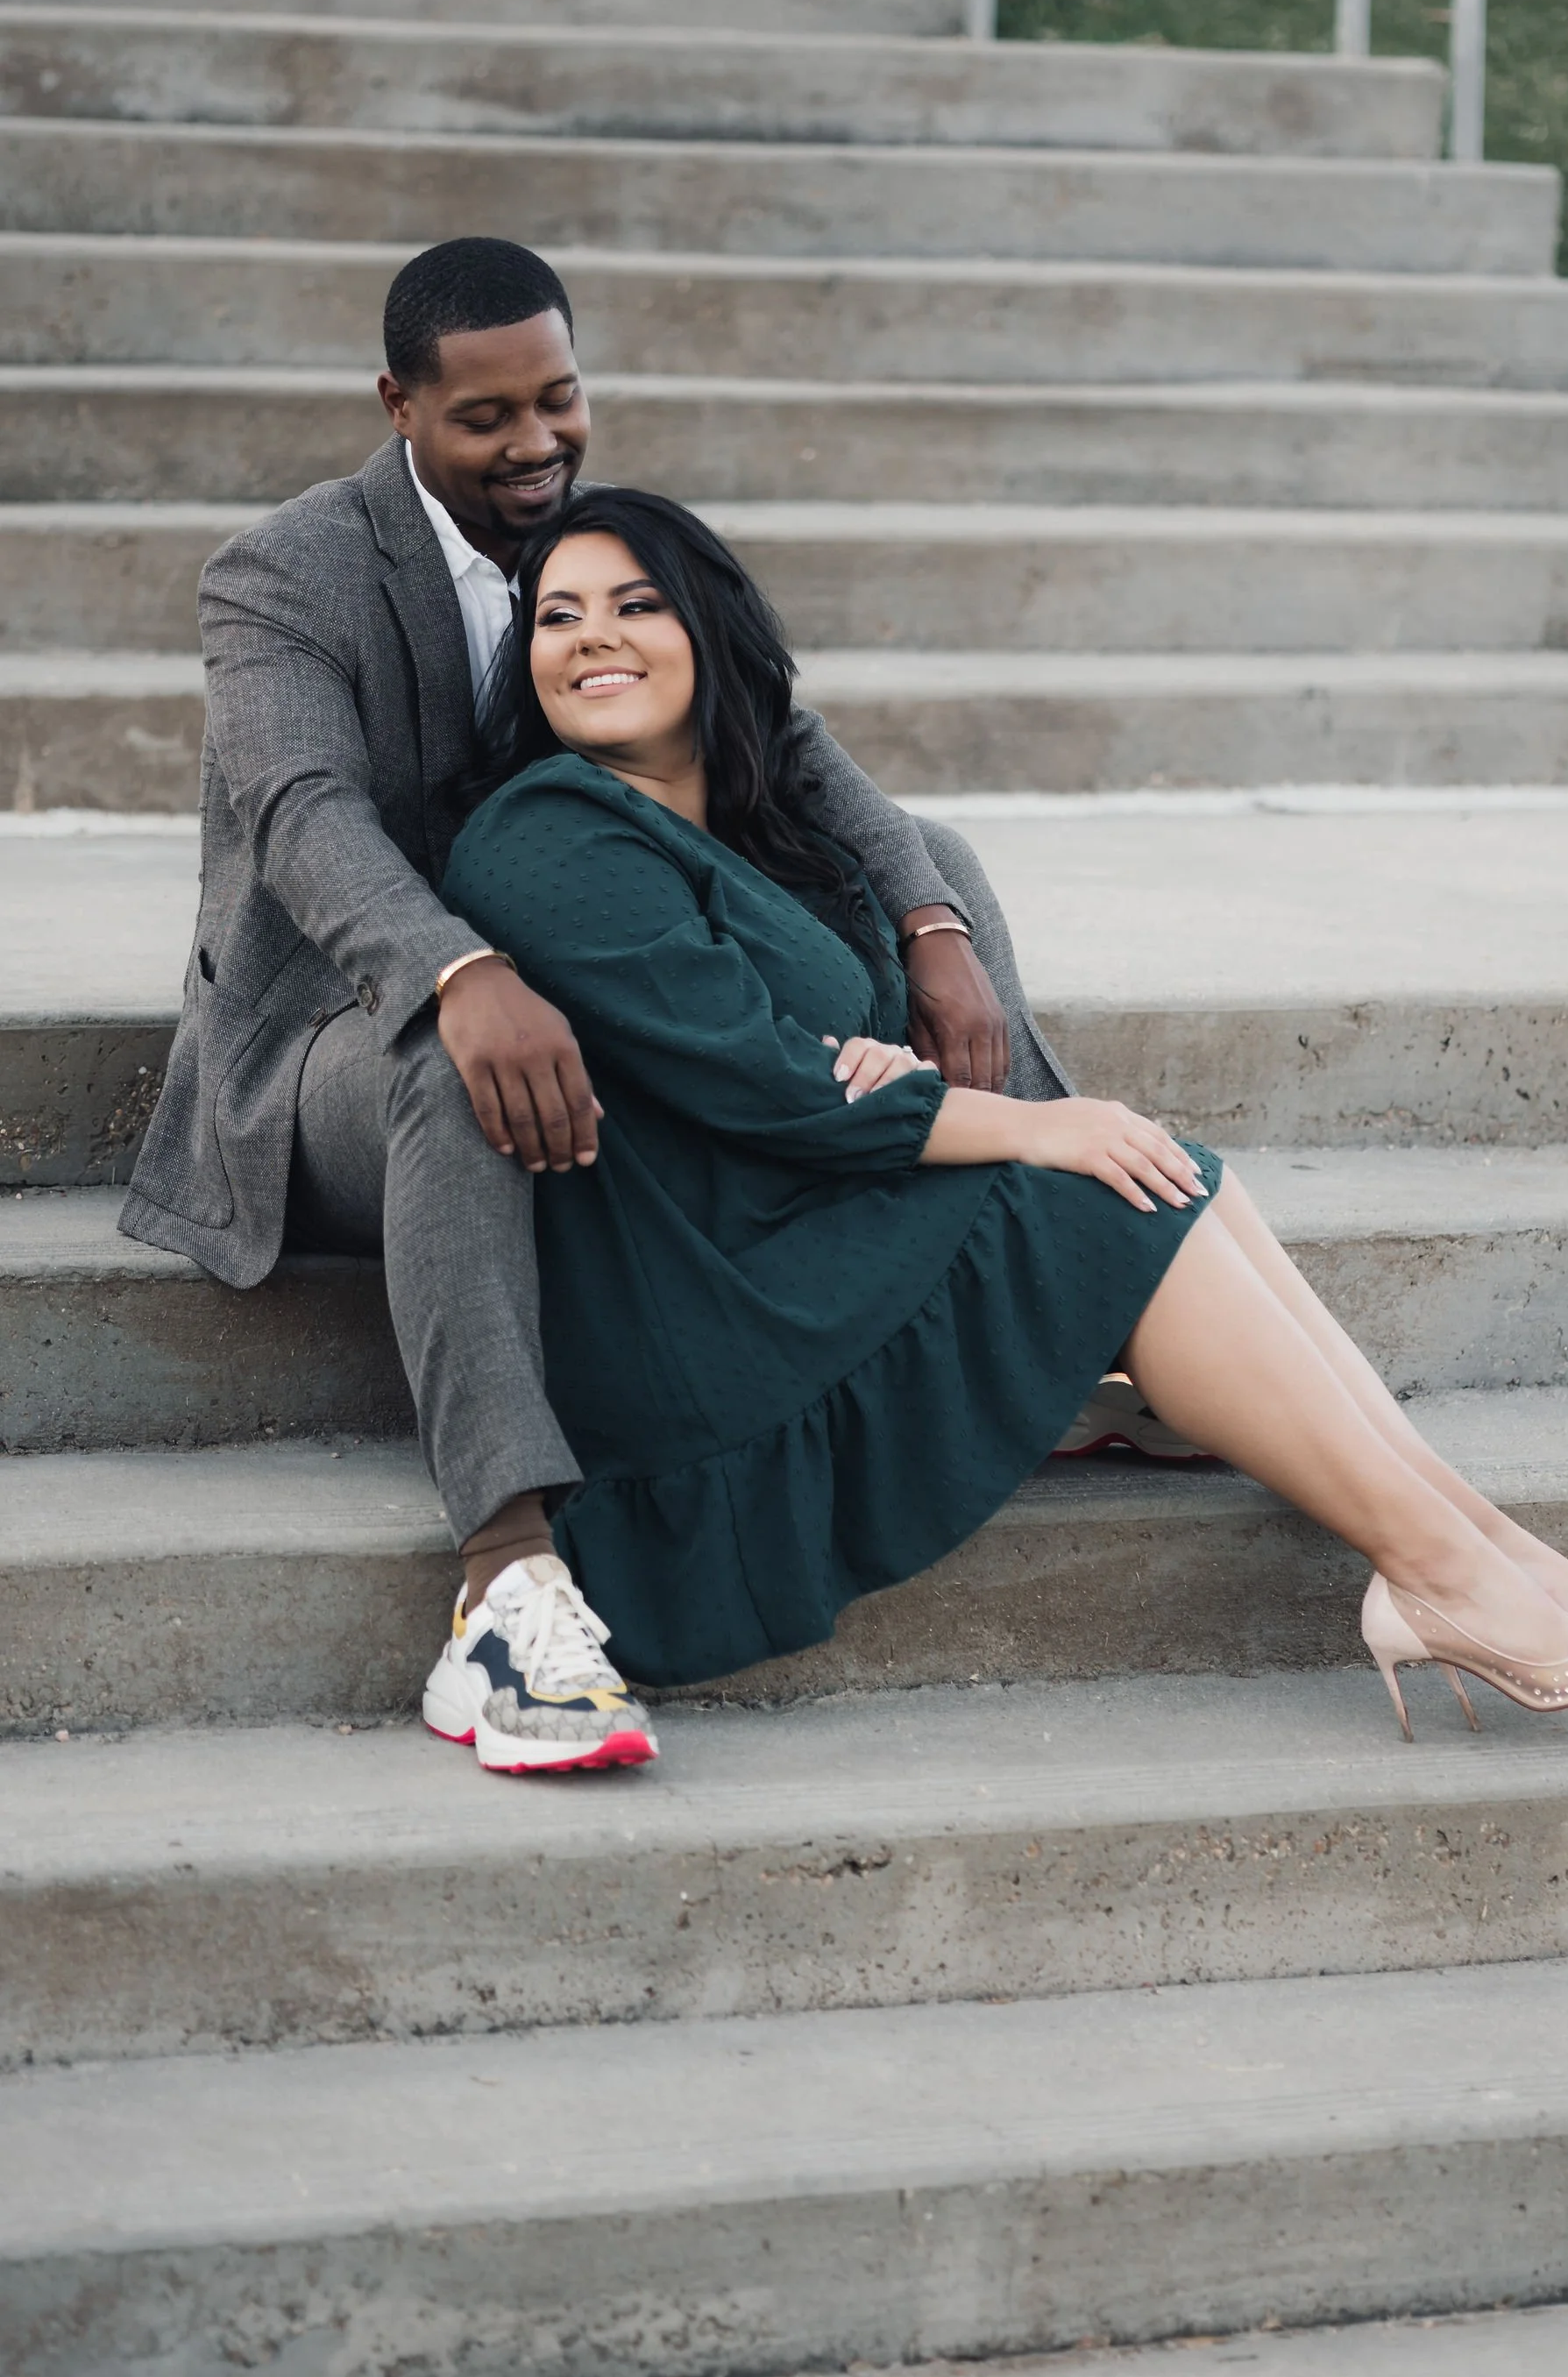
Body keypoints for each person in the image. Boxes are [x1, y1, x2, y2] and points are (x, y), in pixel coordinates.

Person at [426, 482, 1568, 1767]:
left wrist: (873, 1059)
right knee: (1102, 1171)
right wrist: (1009, 1121)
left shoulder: (769, 831)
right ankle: (1442, 1569)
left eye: (636, 604)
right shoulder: (548, 833)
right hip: (705, 1305)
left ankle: (1487, 1552)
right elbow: (764, 1083)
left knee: (1171, 1173)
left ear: (711, 631)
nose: (591, 636)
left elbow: (799, 1051)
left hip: (793, 1223)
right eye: (556, 617)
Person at [122, 237, 1103, 1774]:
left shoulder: (590, 541)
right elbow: (305, 814)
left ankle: (1029, 1296)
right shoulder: (285, 573)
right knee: (448, 1062)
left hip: (574, 987)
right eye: (487, 418)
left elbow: (791, 737)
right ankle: (506, 1581)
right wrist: (459, 967)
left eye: (559, 402)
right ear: (399, 406)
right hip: (330, 1038)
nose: (535, 444)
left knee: (941, 864)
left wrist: (929, 916)